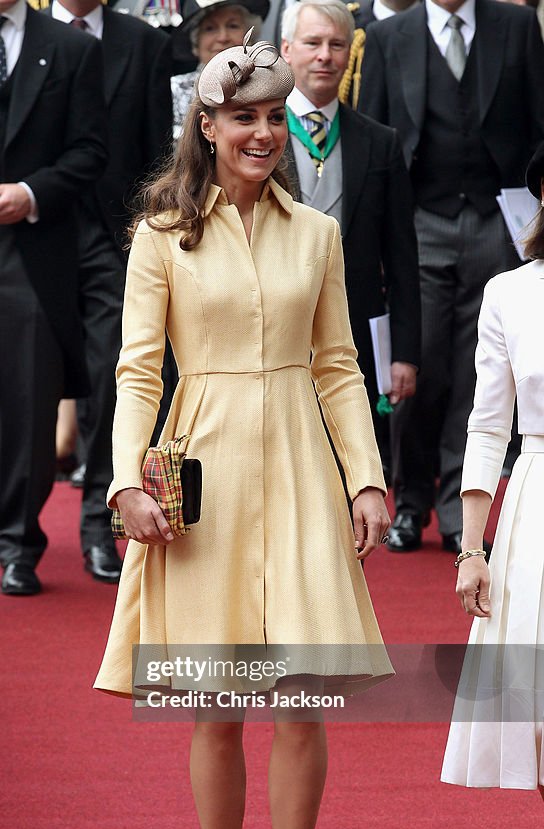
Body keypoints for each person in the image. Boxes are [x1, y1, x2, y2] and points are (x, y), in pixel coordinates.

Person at [94, 34, 393, 829]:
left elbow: (340, 367)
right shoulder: (159, 235)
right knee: (216, 706)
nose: (262, 133)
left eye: (274, 117)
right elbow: (139, 370)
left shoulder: (320, 235)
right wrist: (125, 482)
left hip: (303, 469)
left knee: (303, 704)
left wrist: (367, 479)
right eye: (243, 118)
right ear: (207, 125)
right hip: (201, 471)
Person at [358, 0, 544, 555]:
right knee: (419, 361)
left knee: (477, 371)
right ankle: (410, 500)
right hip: (420, 219)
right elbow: (373, 131)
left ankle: (458, 510)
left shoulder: (513, 26)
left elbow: (537, 121)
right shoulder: (390, 35)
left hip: (497, 218)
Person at [47, 0, 172, 584]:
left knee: (110, 377)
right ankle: (15, 533)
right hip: (30, 233)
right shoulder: (21, 34)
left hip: (115, 237)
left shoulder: (142, 42)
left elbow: (155, 153)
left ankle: (100, 524)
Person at [441, 142, 544, 792]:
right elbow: (486, 426)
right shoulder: (509, 293)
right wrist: (471, 550)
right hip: (536, 505)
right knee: (536, 712)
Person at [281, 0, 420, 471]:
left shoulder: (380, 141)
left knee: (352, 472)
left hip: (355, 335)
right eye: (312, 43)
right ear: (286, 50)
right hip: (276, 333)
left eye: (336, 45)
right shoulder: (257, 138)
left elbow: (401, 257)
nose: (325, 55)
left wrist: (403, 355)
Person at [0, 0, 107, 596]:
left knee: (30, 398)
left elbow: (91, 151)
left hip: (33, 250)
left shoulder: (69, 47)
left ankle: (18, 544)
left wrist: (31, 192)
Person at [171, 0, 269, 137]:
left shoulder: (269, 85)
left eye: (233, 26)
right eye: (210, 28)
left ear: (250, 37)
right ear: (196, 41)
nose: (223, 37)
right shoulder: (174, 90)